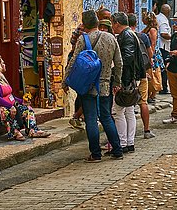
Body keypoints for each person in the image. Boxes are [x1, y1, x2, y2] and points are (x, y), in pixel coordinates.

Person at [65, 10, 123, 162]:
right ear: (97, 22)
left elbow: (73, 62)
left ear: (84, 24)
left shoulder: (83, 40)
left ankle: (95, 154)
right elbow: (119, 63)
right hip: (105, 85)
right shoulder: (111, 38)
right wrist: (116, 82)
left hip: (88, 85)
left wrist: (66, 80)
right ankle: (117, 150)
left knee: (91, 119)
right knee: (106, 117)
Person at [0, 55, 51, 141]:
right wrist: (10, 106)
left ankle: (32, 130)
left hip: (9, 106)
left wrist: (22, 101)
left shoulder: (1, 79)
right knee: (5, 111)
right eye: (2, 63)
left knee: (27, 109)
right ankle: (14, 131)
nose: (4, 64)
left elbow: (10, 96)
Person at [111, 12, 142, 153]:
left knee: (119, 111)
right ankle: (129, 142)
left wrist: (120, 79)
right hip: (131, 78)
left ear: (117, 23)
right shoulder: (130, 34)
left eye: (113, 24)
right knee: (129, 111)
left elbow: (127, 58)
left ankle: (123, 143)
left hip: (126, 79)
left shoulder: (126, 36)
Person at [128, 13, 156, 139]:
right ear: (135, 24)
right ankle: (146, 130)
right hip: (142, 73)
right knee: (143, 102)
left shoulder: (123, 37)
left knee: (126, 105)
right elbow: (150, 55)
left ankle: (128, 134)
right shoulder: (143, 37)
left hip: (129, 75)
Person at [142, 11, 165, 104]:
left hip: (152, 53)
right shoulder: (148, 29)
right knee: (151, 74)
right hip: (150, 53)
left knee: (153, 74)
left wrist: (150, 57)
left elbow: (153, 44)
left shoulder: (152, 30)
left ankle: (152, 95)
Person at [68, 23, 86, 130]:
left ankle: (78, 115)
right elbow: (73, 42)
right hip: (81, 63)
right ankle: (77, 115)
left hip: (83, 62)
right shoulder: (82, 31)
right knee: (81, 93)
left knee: (81, 93)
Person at [156, 4, 172, 94]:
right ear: (168, 11)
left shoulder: (158, 17)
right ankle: (164, 88)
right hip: (163, 47)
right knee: (164, 68)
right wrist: (173, 38)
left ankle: (161, 86)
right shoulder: (163, 20)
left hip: (161, 46)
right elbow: (163, 34)